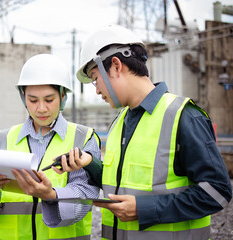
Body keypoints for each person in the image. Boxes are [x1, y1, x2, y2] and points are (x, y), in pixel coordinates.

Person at [53, 25, 232, 240]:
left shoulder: (184, 117)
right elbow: (122, 181)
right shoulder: (121, 121)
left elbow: (218, 191)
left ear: (116, 66)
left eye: (95, 78)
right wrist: (89, 162)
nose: (97, 89)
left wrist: (145, 209)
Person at [0, 53, 101, 240]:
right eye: (33, 100)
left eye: (49, 100)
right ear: (23, 97)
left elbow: (85, 197)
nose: (41, 108)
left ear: (63, 96)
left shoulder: (83, 137)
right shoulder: (4, 138)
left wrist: (50, 195)